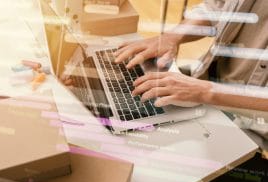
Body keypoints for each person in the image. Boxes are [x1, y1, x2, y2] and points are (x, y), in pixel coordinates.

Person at [114, 0, 268, 149]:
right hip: (208, 83)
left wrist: (207, 92)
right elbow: (217, 6)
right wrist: (171, 37)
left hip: (257, 130)